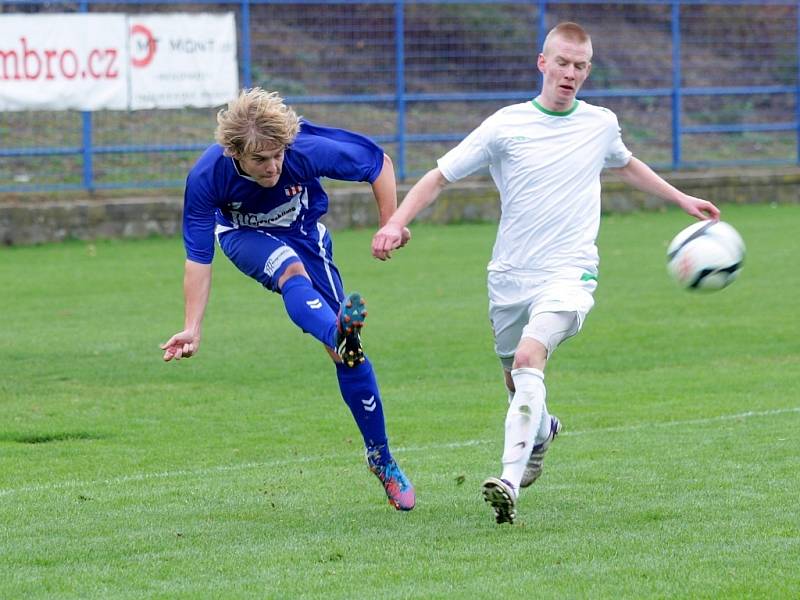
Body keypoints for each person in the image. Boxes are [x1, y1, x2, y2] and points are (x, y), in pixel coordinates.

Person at [371, 22, 720, 524]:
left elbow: (626, 164)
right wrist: (396, 223)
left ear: (587, 71)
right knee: (517, 380)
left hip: (570, 273)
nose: (570, 74)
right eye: (562, 63)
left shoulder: (600, 124)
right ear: (543, 63)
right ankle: (541, 431)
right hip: (510, 276)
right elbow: (439, 175)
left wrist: (682, 198)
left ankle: (508, 482)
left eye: (580, 67)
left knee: (531, 356)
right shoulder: (505, 125)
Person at [160, 87, 415, 511]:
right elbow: (197, 259)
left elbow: (378, 164)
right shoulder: (207, 177)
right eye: (260, 159)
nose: (273, 166)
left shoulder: (304, 148)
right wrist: (193, 326)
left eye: (277, 155)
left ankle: (381, 459)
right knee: (288, 269)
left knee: (348, 357)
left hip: (306, 235)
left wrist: (390, 223)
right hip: (243, 237)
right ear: (235, 153)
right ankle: (337, 332)